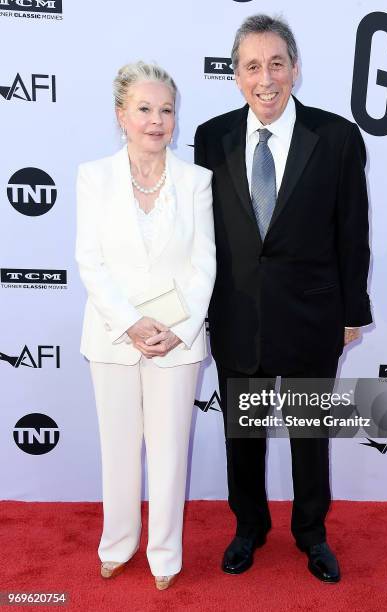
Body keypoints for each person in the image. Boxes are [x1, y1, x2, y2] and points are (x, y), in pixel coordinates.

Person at [194, 15, 372, 582]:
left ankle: (311, 534)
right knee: (241, 436)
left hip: (312, 316)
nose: (264, 77)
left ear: (295, 68)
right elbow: (199, 236)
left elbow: (353, 231)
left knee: (308, 436)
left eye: (276, 63)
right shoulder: (210, 136)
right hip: (237, 315)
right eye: (252, 66)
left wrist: (352, 314)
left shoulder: (338, 137)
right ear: (236, 75)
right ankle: (248, 529)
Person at [76, 61, 216, 590]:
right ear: (121, 115)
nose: (157, 121)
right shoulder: (93, 177)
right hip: (114, 336)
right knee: (117, 449)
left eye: (166, 110)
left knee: (169, 451)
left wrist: (178, 329)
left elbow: (204, 263)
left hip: (177, 341)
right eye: (144, 109)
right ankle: (116, 544)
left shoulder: (197, 180)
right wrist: (133, 323)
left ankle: (164, 555)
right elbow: (91, 262)